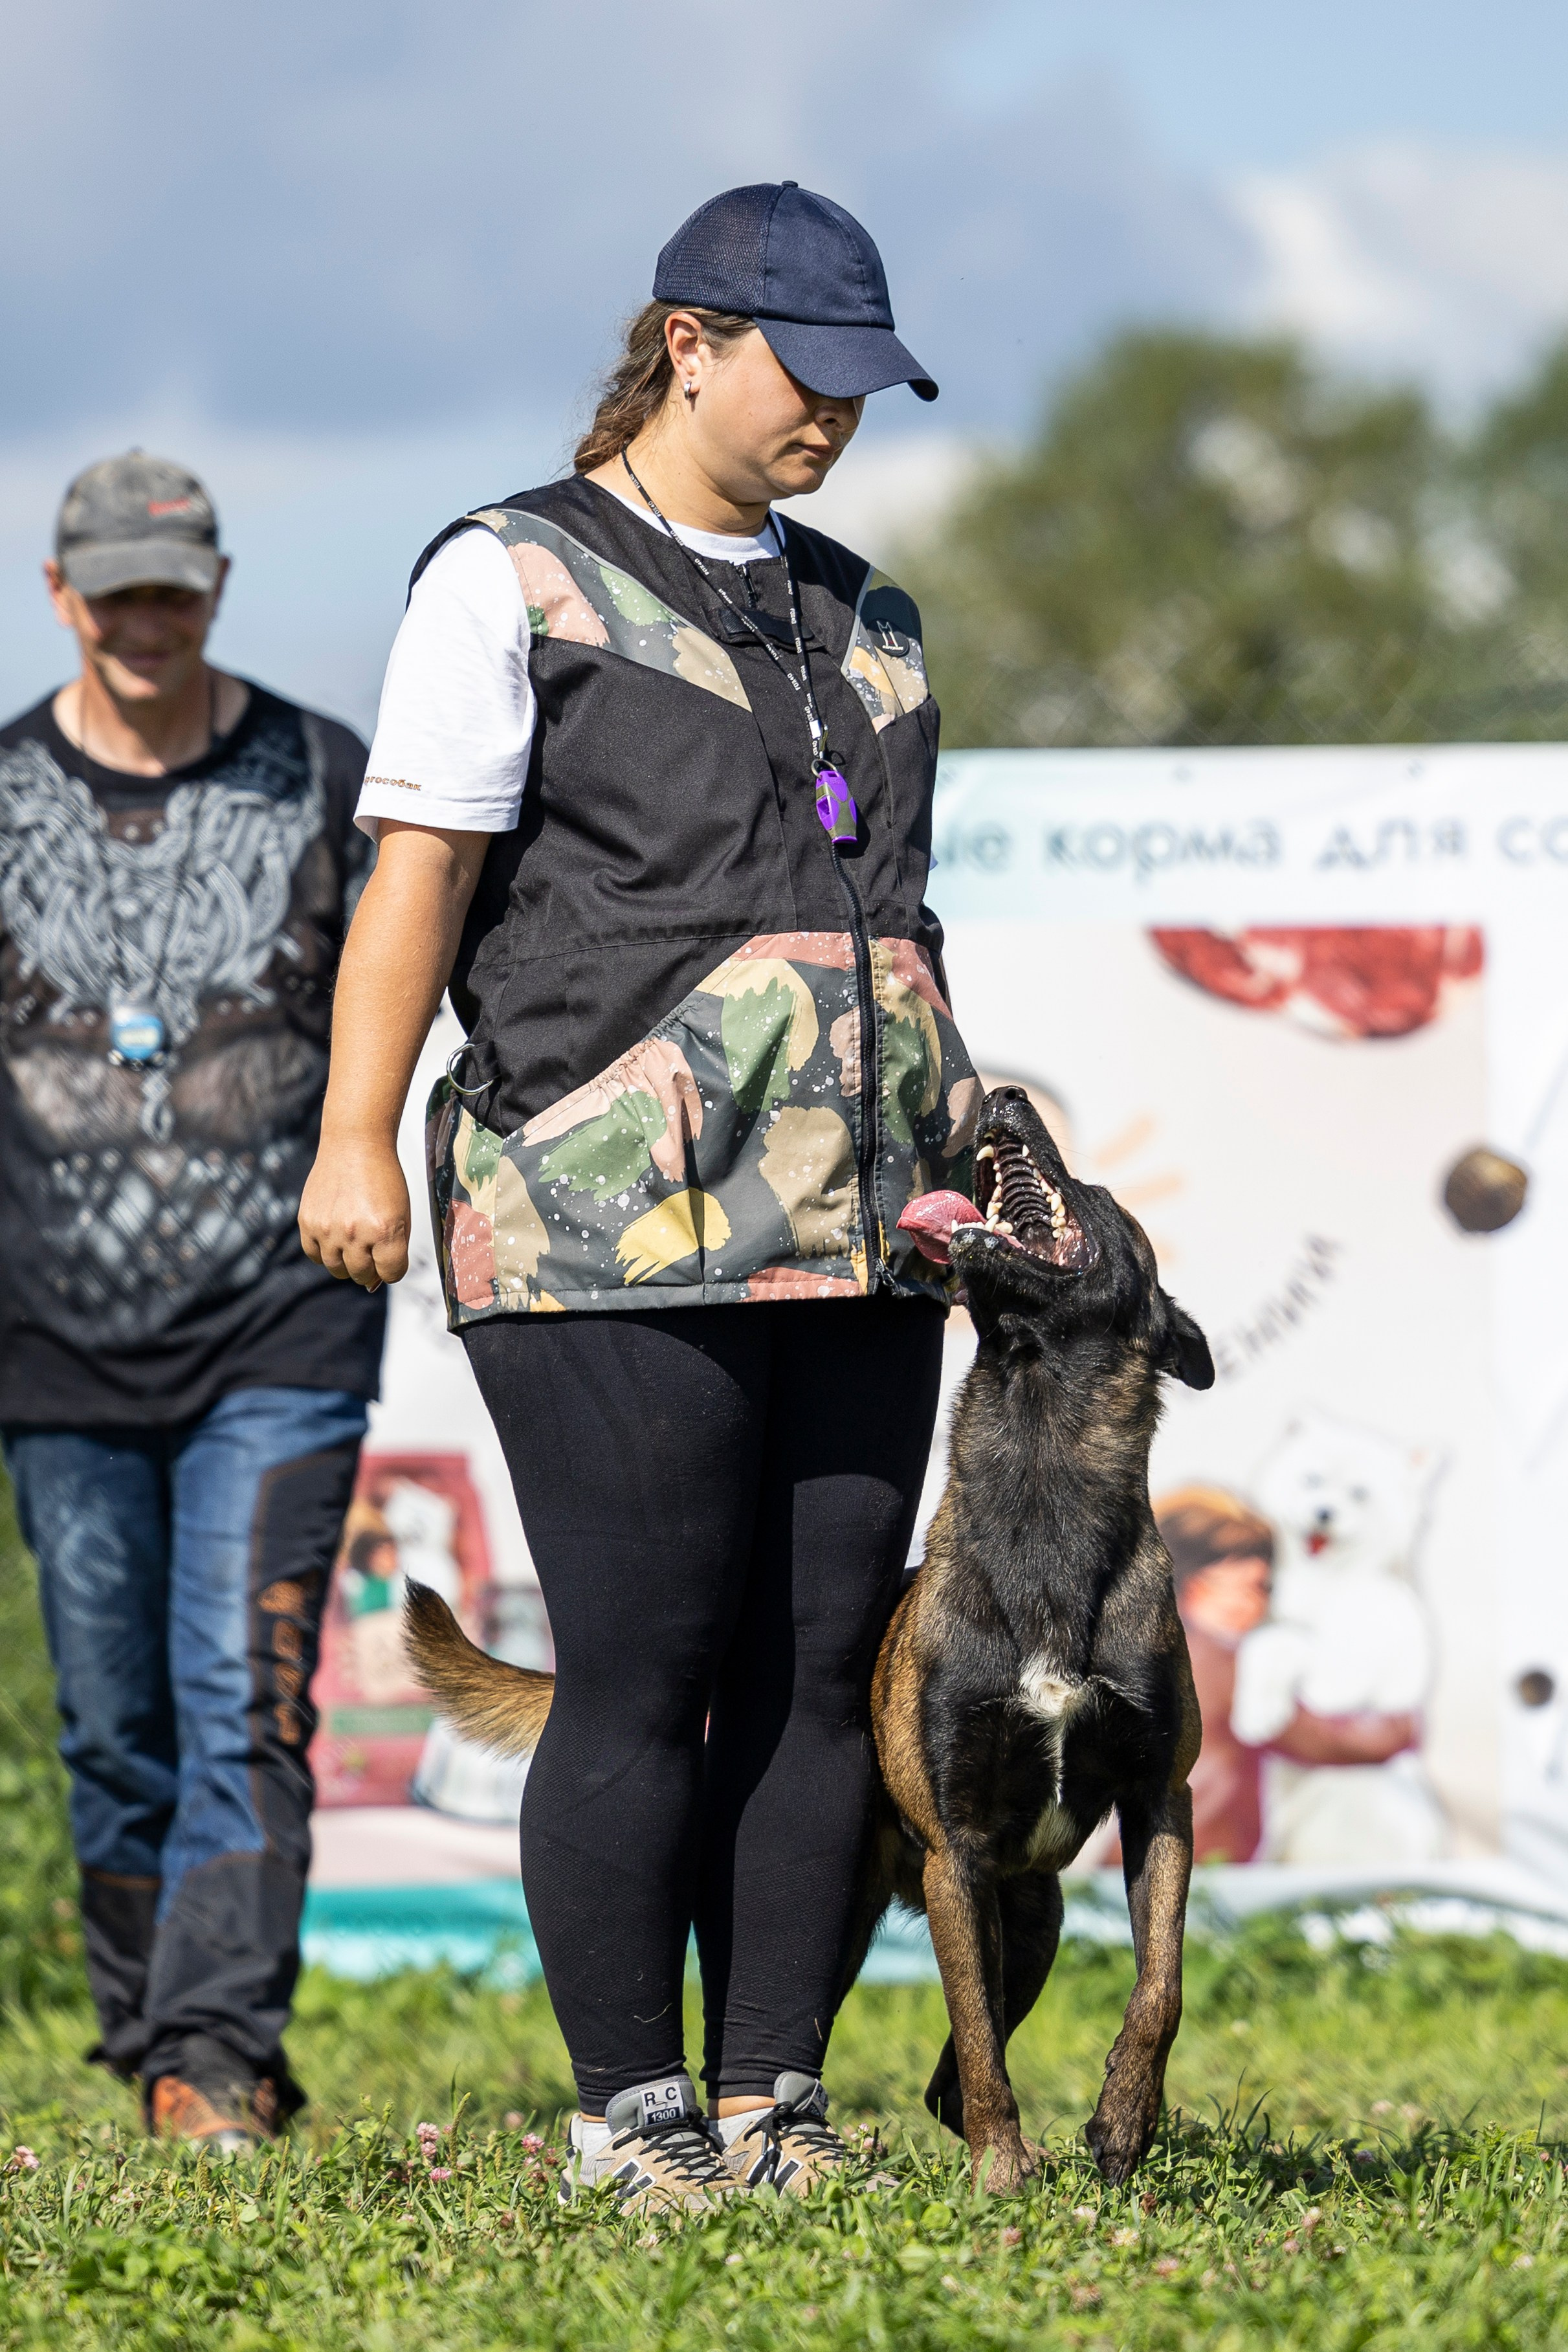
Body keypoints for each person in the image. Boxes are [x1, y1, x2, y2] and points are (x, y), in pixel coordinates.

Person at [300, 182, 977, 2212]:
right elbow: (414, 873)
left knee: (818, 1657)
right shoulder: (511, 577)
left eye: (865, 387)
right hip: (602, 1222)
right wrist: (357, 1133)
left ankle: (772, 2098)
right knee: (646, 1652)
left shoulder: (871, 612)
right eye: (803, 373)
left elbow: (893, 915)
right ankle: (630, 2114)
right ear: (684, 339)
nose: (834, 420)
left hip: (863, 1226)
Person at [0, 452, 385, 2148]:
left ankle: (210, 2059)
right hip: (50, 1335)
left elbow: (400, 990)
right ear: (60, 592)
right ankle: (154, 2029)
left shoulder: (324, 776)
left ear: (217, 585)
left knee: (245, 1687)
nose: (146, 615)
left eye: (174, 584)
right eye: (116, 587)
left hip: (276, 1329)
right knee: (111, 1718)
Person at [1158, 1486, 1419, 1863]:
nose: (1261, 1605)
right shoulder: (1221, 1663)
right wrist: (1401, 1727)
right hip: (1201, 1869)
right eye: (1255, 1587)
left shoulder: (1154, 1659)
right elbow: (1324, 1741)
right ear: (1197, 1587)